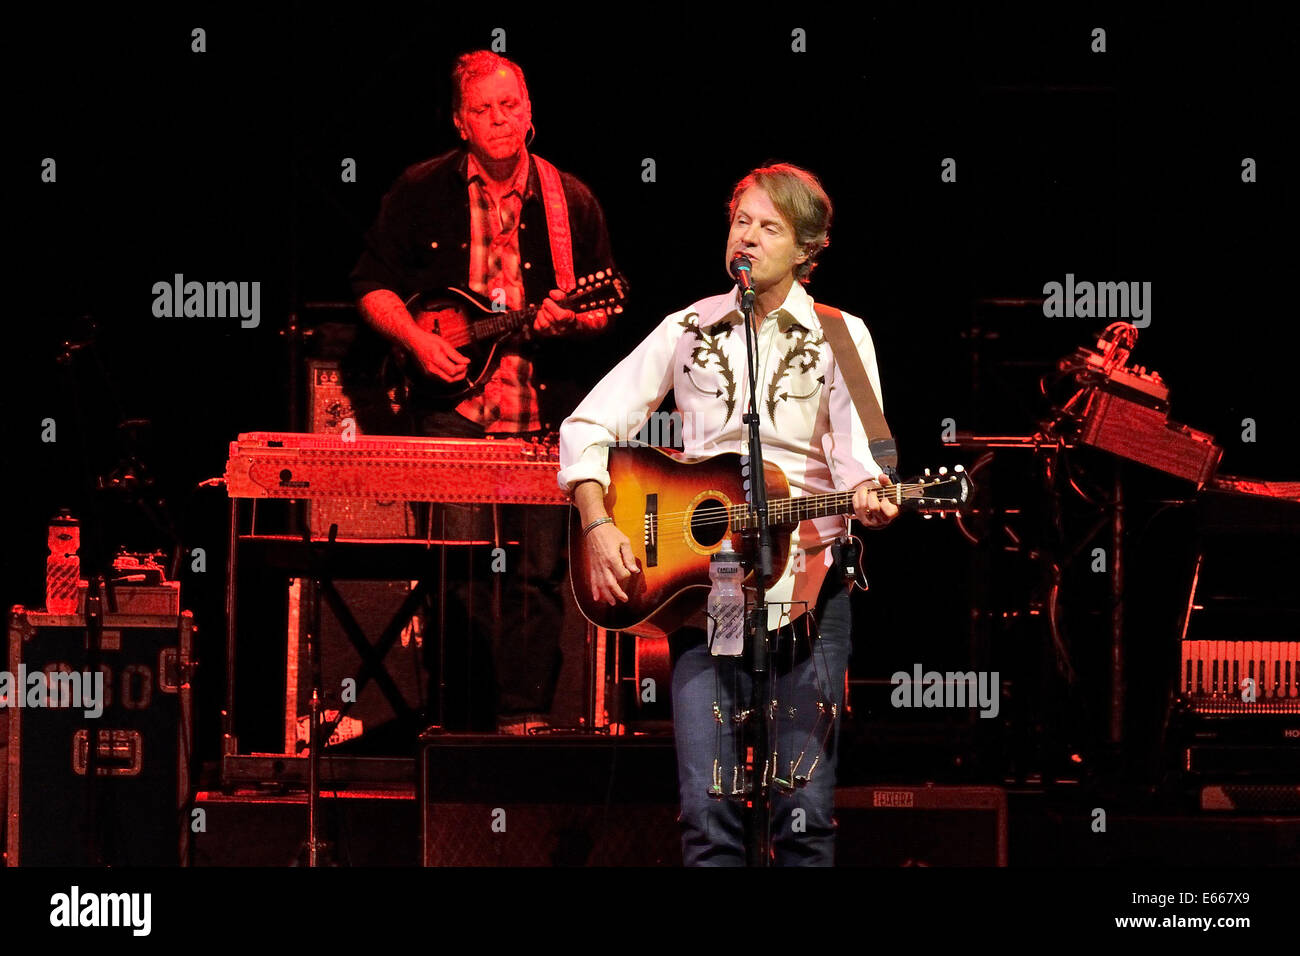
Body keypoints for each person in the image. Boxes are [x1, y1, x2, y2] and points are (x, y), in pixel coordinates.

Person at [557, 163, 899, 864]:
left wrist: (875, 492)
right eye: (741, 220)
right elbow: (585, 425)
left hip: (808, 591)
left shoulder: (843, 334)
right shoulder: (687, 326)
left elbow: (870, 449)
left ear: (808, 249)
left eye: (768, 227)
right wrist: (597, 523)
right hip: (705, 595)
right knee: (707, 815)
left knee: (803, 815)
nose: (746, 236)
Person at [351, 50, 616, 733]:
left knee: (538, 577)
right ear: (459, 122)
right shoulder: (420, 189)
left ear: (530, 114)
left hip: (541, 416)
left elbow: (606, 309)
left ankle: (523, 716)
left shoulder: (571, 200)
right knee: (456, 575)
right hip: (452, 415)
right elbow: (371, 284)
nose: (499, 121)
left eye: (510, 107)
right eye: (483, 110)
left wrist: (571, 320)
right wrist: (416, 339)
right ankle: (458, 721)